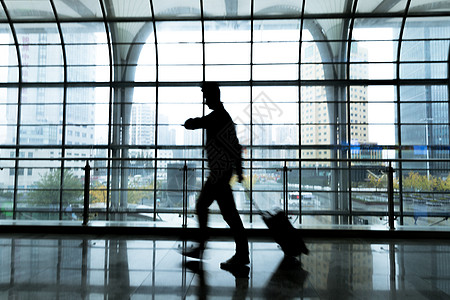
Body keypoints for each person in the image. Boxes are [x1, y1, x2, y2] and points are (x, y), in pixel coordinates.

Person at [182, 81, 249, 268]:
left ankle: (234, 253)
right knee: (225, 213)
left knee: (216, 210)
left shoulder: (219, 117)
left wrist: (190, 123)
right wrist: (239, 171)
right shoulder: (223, 116)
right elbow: (236, 148)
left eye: (206, 96)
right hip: (222, 173)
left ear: (214, 96)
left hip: (219, 175)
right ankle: (237, 253)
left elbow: (201, 122)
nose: (205, 100)